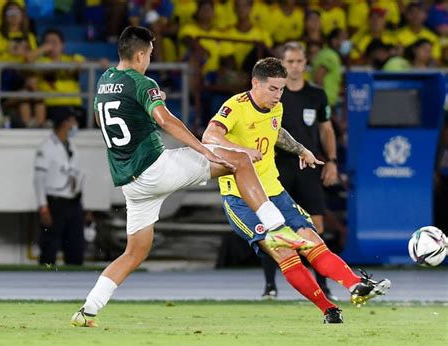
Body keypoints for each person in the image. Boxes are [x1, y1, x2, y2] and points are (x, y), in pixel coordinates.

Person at [71, 26, 315, 327]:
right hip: (155, 168)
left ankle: (88, 309)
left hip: (131, 182)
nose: (149, 59)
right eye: (149, 54)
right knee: (238, 158)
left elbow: (100, 119)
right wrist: (203, 149)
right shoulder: (141, 82)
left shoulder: (105, 81)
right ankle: (277, 226)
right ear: (139, 54)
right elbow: (164, 119)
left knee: (135, 251)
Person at [202, 56, 391, 324]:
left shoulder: (275, 107)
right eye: (272, 89)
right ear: (255, 83)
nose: (278, 95)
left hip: (275, 192)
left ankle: (354, 285)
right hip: (241, 199)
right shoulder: (235, 107)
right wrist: (242, 151)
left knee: (313, 240)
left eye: (281, 89)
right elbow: (209, 136)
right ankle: (328, 309)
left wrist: (302, 149)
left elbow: (276, 132)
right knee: (285, 252)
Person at [259, 42, 339, 300]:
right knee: (274, 225)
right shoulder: (273, 94)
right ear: (282, 65)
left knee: (315, 224)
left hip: (308, 167)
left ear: (306, 64)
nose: (294, 67)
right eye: (289, 62)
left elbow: (326, 129)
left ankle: (323, 286)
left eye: (299, 61)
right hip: (277, 166)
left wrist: (332, 161)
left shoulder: (316, 95)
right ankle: (270, 286)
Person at [33, 108, 85, 266]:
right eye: (73, 121)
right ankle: (44, 284)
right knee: (50, 247)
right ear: (65, 123)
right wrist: (43, 207)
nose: (75, 125)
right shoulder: (47, 146)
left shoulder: (72, 147)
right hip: (54, 202)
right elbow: (38, 179)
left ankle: (74, 285)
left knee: (76, 246)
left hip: (73, 202)